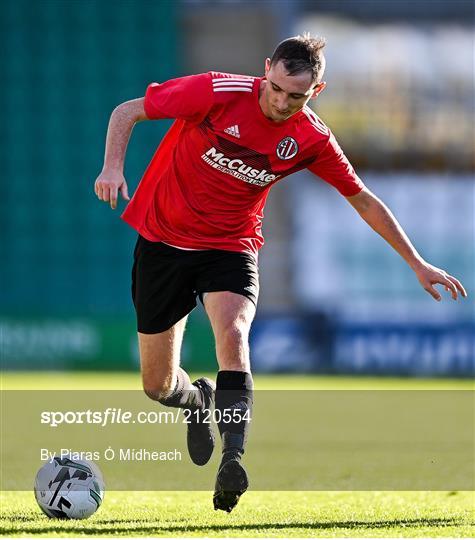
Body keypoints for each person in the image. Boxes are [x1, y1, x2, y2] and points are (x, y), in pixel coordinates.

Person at [94, 34, 467, 512]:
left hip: (229, 248)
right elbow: (127, 111)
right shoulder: (216, 92)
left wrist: (417, 262)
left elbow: (363, 200)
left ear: (318, 91)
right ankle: (197, 401)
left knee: (233, 336)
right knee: (158, 386)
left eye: (297, 96)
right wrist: (112, 168)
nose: (282, 103)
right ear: (266, 69)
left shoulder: (311, 138)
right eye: (276, 88)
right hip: (163, 243)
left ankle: (234, 460)